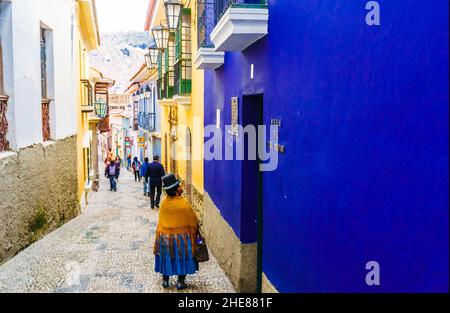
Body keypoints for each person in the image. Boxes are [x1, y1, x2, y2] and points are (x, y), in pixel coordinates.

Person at [154, 173, 199, 290]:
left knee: (166, 258)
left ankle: (165, 281)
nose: (181, 187)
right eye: (178, 186)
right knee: (182, 257)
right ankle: (180, 282)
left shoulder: (163, 203)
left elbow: (161, 221)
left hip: (164, 237)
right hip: (181, 238)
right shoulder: (183, 203)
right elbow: (193, 220)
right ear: (175, 190)